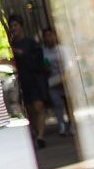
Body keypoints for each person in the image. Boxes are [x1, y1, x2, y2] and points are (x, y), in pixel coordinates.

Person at [10, 17, 51, 147]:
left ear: (21, 26)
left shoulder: (31, 43)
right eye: (12, 26)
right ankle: (35, 133)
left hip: (35, 79)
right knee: (30, 109)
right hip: (23, 81)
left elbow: (38, 59)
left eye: (15, 25)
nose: (13, 28)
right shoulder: (11, 45)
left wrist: (21, 53)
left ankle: (40, 135)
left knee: (38, 106)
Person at [42, 28, 71, 135]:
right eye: (46, 36)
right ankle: (61, 126)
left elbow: (68, 65)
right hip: (52, 81)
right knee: (58, 105)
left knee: (69, 104)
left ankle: (71, 125)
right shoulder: (44, 51)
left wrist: (65, 77)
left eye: (50, 35)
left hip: (65, 80)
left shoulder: (62, 50)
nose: (49, 38)